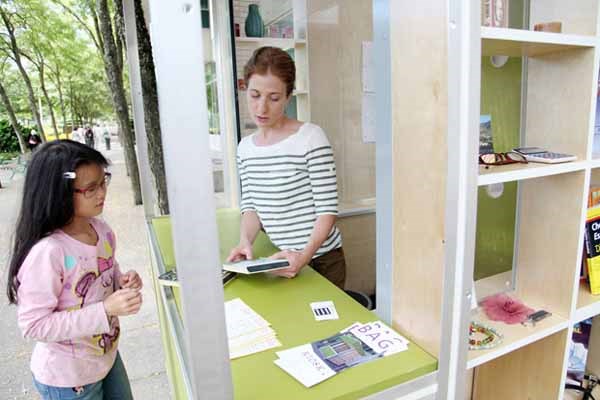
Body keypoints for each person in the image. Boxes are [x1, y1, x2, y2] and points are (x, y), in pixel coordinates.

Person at [5, 140, 143, 399]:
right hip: (68, 379)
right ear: (58, 192)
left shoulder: (101, 230)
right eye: (91, 188)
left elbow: (106, 270)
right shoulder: (48, 253)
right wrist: (106, 310)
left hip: (105, 355)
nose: (102, 193)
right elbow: (34, 325)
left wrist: (122, 282)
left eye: (103, 182)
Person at [226, 46, 346, 289]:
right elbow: (251, 206)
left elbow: (327, 211)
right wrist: (245, 241)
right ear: (245, 89)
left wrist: (304, 256)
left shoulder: (310, 137)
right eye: (255, 95)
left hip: (321, 260)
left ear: (288, 97)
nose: (261, 108)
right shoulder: (245, 148)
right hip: (279, 260)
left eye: (274, 98)